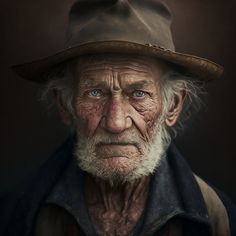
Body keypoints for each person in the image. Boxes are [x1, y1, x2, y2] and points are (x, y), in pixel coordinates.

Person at [1, 0, 236, 235]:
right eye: (95, 93)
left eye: (139, 94)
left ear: (173, 106)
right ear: (65, 104)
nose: (116, 123)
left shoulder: (217, 217)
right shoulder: (17, 214)